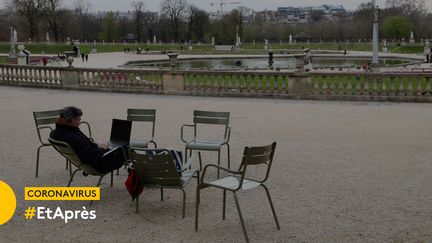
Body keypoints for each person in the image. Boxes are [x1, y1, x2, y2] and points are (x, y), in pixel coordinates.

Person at [50, 106, 125, 174]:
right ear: (73, 121)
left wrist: (97, 145)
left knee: (119, 149)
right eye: (79, 120)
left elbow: (84, 149)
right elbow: (89, 156)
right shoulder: (73, 136)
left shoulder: (55, 133)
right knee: (126, 152)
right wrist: (105, 150)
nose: (79, 123)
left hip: (84, 163)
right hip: (97, 165)